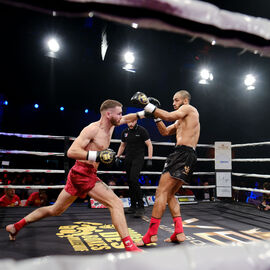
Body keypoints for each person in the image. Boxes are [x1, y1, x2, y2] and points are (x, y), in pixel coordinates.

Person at [6, 99, 142, 252]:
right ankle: (130, 247)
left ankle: (15, 226)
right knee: (116, 203)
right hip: (83, 173)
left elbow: (130, 117)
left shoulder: (113, 124)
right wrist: (97, 156)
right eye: (119, 114)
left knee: (55, 210)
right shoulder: (92, 130)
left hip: (81, 173)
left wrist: (147, 112)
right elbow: (71, 152)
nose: (121, 117)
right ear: (108, 114)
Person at [131, 90, 200, 245]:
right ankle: (179, 232)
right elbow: (165, 131)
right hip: (187, 156)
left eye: (176, 100)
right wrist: (155, 116)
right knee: (169, 195)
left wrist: (148, 105)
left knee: (160, 192)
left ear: (185, 101)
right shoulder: (182, 119)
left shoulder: (190, 109)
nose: (173, 103)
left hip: (182, 154)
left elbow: (168, 116)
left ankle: (151, 234)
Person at [116, 119, 153, 217]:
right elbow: (122, 145)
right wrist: (117, 156)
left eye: (132, 122)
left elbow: (149, 144)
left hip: (138, 158)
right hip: (128, 158)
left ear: (136, 121)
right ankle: (133, 206)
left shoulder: (142, 130)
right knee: (129, 181)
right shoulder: (125, 132)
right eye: (129, 122)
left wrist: (149, 159)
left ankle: (141, 206)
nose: (131, 124)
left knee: (134, 179)